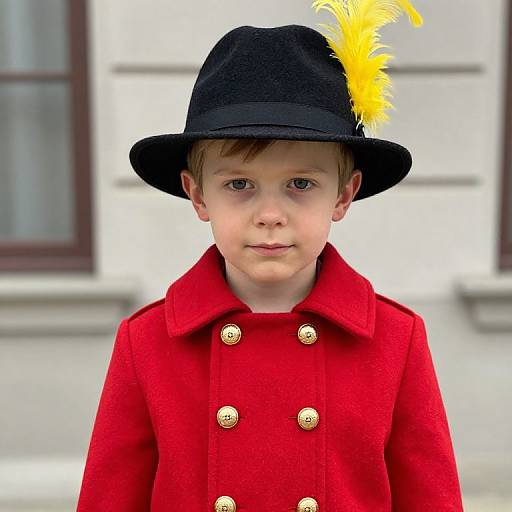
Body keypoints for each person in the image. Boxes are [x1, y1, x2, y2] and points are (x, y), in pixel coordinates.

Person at [77, 1, 465, 510]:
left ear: (343, 196)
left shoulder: (396, 341)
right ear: (197, 196)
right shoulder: (147, 342)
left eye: (300, 184)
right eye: (239, 184)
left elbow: (431, 500)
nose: (270, 214)